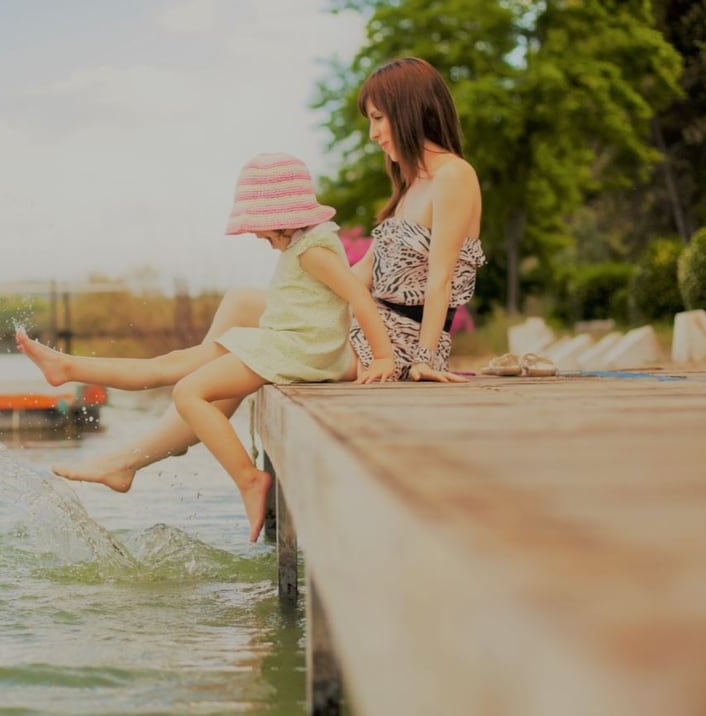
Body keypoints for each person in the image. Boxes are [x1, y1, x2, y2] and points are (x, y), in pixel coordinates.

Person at [31, 56, 485, 522]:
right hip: (371, 325)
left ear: (409, 110)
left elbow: (440, 278)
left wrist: (424, 360)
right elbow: (362, 274)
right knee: (241, 304)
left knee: (226, 363)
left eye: (378, 118)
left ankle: (146, 448)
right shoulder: (411, 183)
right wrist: (312, 284)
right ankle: (171, 430)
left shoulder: (453, 176)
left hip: (401, 344)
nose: (373, 134)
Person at [18, 153, 396, 542]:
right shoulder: (307, 243)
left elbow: (357, 296)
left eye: (261, 230)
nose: (258, 237)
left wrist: (383, 356)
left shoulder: (312, 250)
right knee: (173, 363)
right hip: (288, 340)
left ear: (281, 218)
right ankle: (68, 368)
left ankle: (248, 479)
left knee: (188, 392)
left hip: (298, 350)